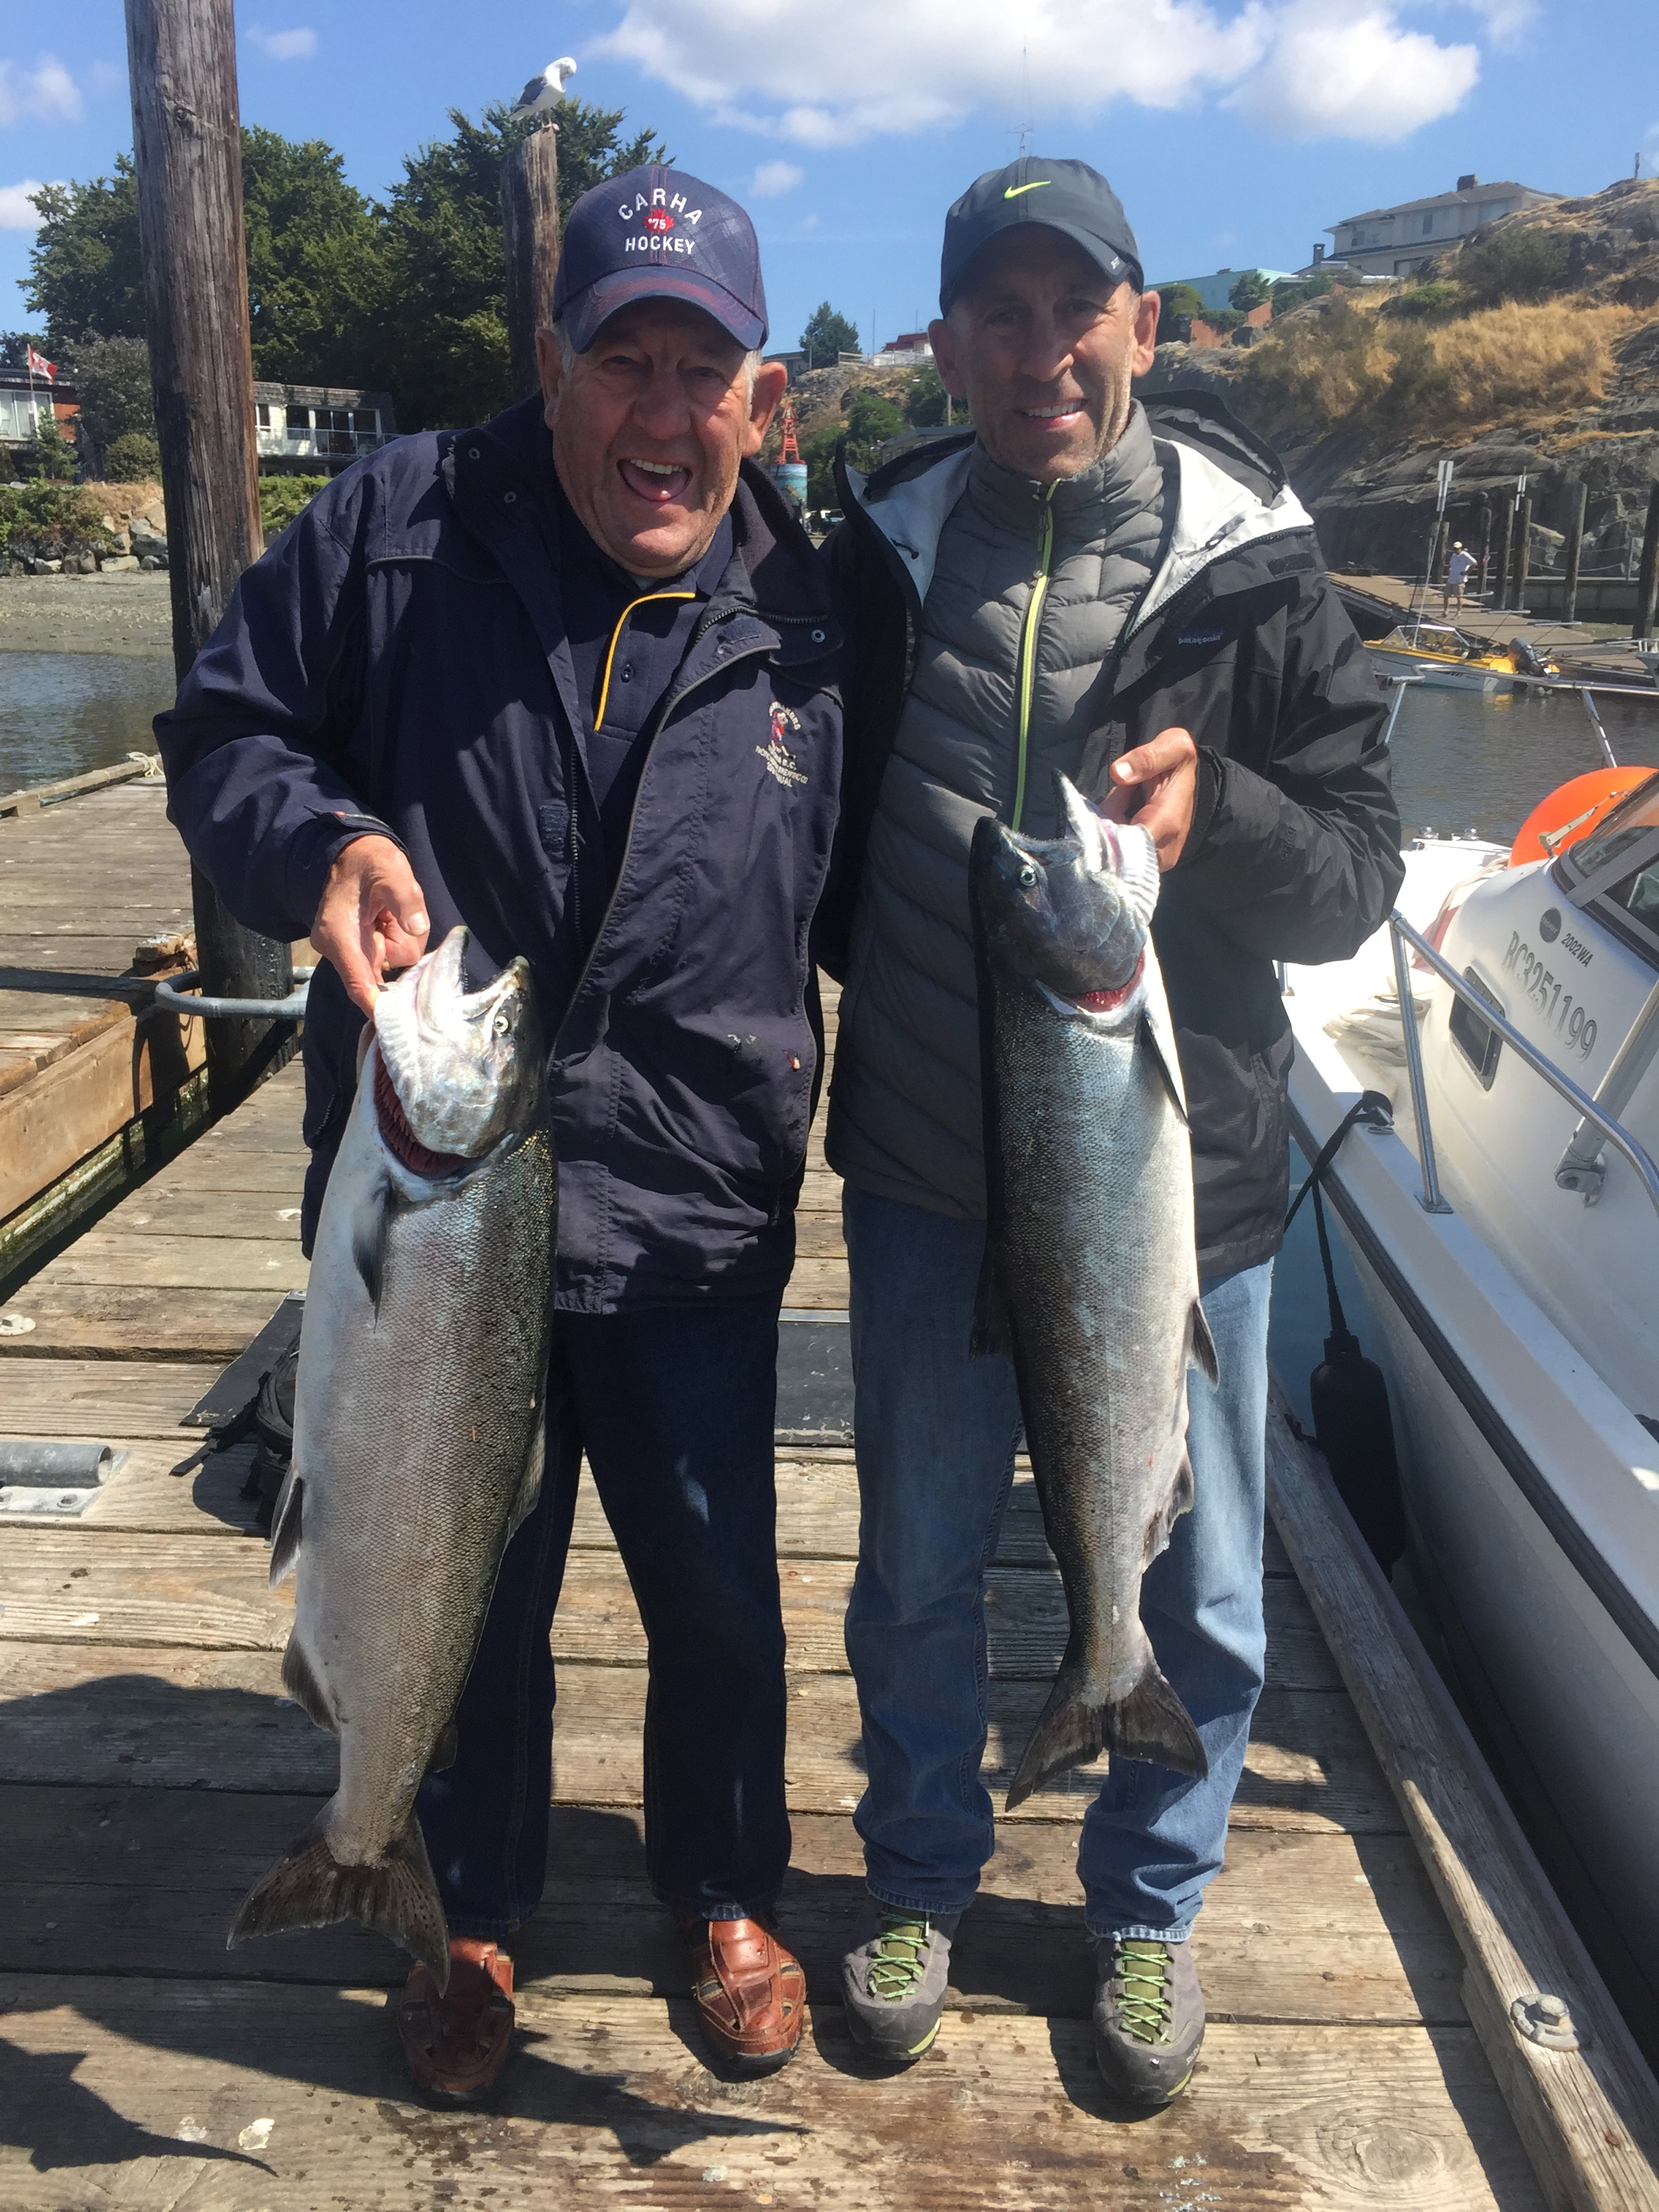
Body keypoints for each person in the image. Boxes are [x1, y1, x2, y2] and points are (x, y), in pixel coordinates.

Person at [155, 165, 842, 2098]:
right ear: (549, 369)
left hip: (697, 1206)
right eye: (622, 356)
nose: (660, 409)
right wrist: (325, 845)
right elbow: (223, 733)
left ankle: (722, 1887)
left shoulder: (814, 604)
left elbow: (890, 892)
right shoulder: (394, 527)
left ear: (759, 398)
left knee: (717, 1591)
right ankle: (463, 1905)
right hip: (437, 1203)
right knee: (462, 1567)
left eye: (699, 368)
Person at [819, 157, 1401, 2102]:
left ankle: (1147, 1914)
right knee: (907, 1563)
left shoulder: (1262, 571)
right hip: (917, 1164)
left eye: (1079, 307)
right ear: (947, 340)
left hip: (1177, 1190)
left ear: (1148, 325)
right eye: (998, 309)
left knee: (1202, 1592)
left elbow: (1353, 887)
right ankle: (918, 1872)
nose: (1039, 347)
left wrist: (1212, 810)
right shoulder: (870, 547)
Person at [1443, 539, 1477, 614]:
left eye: (1457, 549)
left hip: (1459, 580)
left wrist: (1467, 572)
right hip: (1451, 579)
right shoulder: (1454, 555)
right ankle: (1446, 611)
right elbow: (1451, 564)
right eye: (1455, 549)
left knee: (1459, 597)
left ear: (1461, 548)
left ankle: (1459, 612)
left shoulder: (1465, 555)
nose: (1456, 550)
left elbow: (1475, 563)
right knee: (1446, 595)